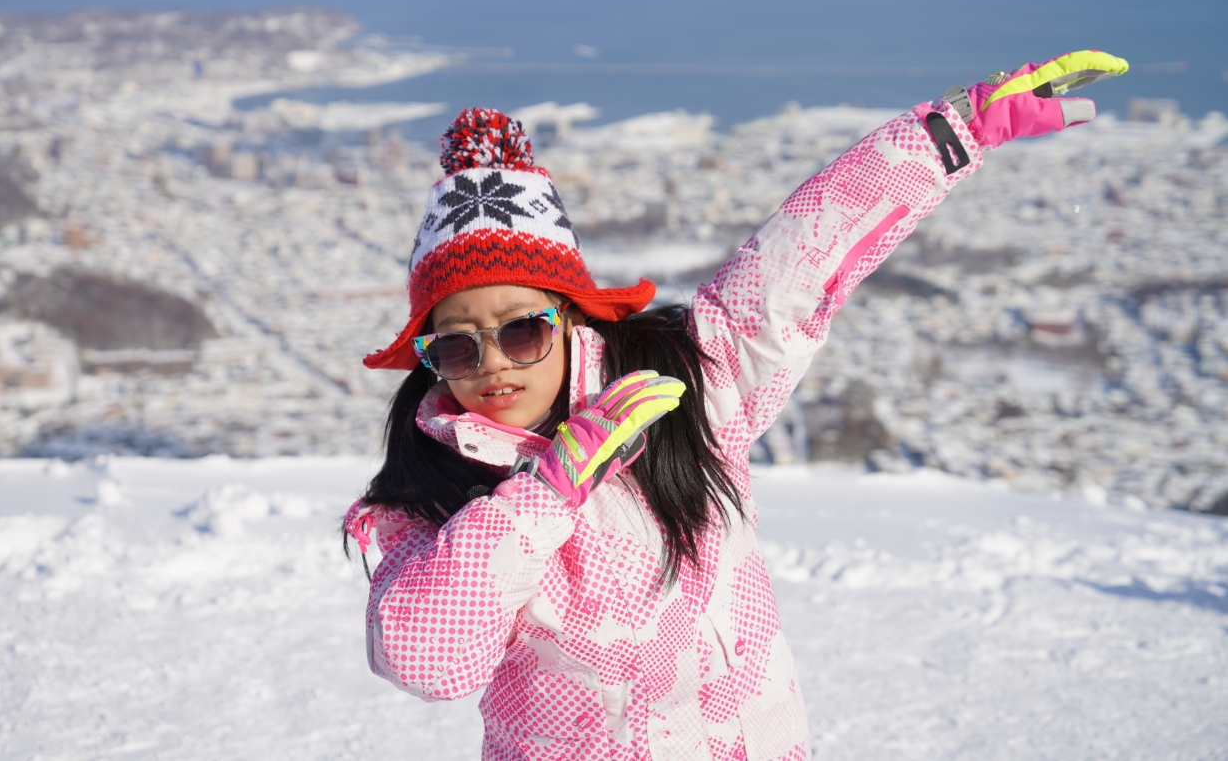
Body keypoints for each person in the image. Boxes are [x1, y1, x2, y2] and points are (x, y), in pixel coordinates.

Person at [342, 51, 1127, 761]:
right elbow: (428, 661)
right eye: (453, 344)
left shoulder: (688, 386)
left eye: (519, 330)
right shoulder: (431, 490)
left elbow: (799, 259)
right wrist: (543, 497)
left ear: (571, 315)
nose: (487, 365)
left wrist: (951, 134)